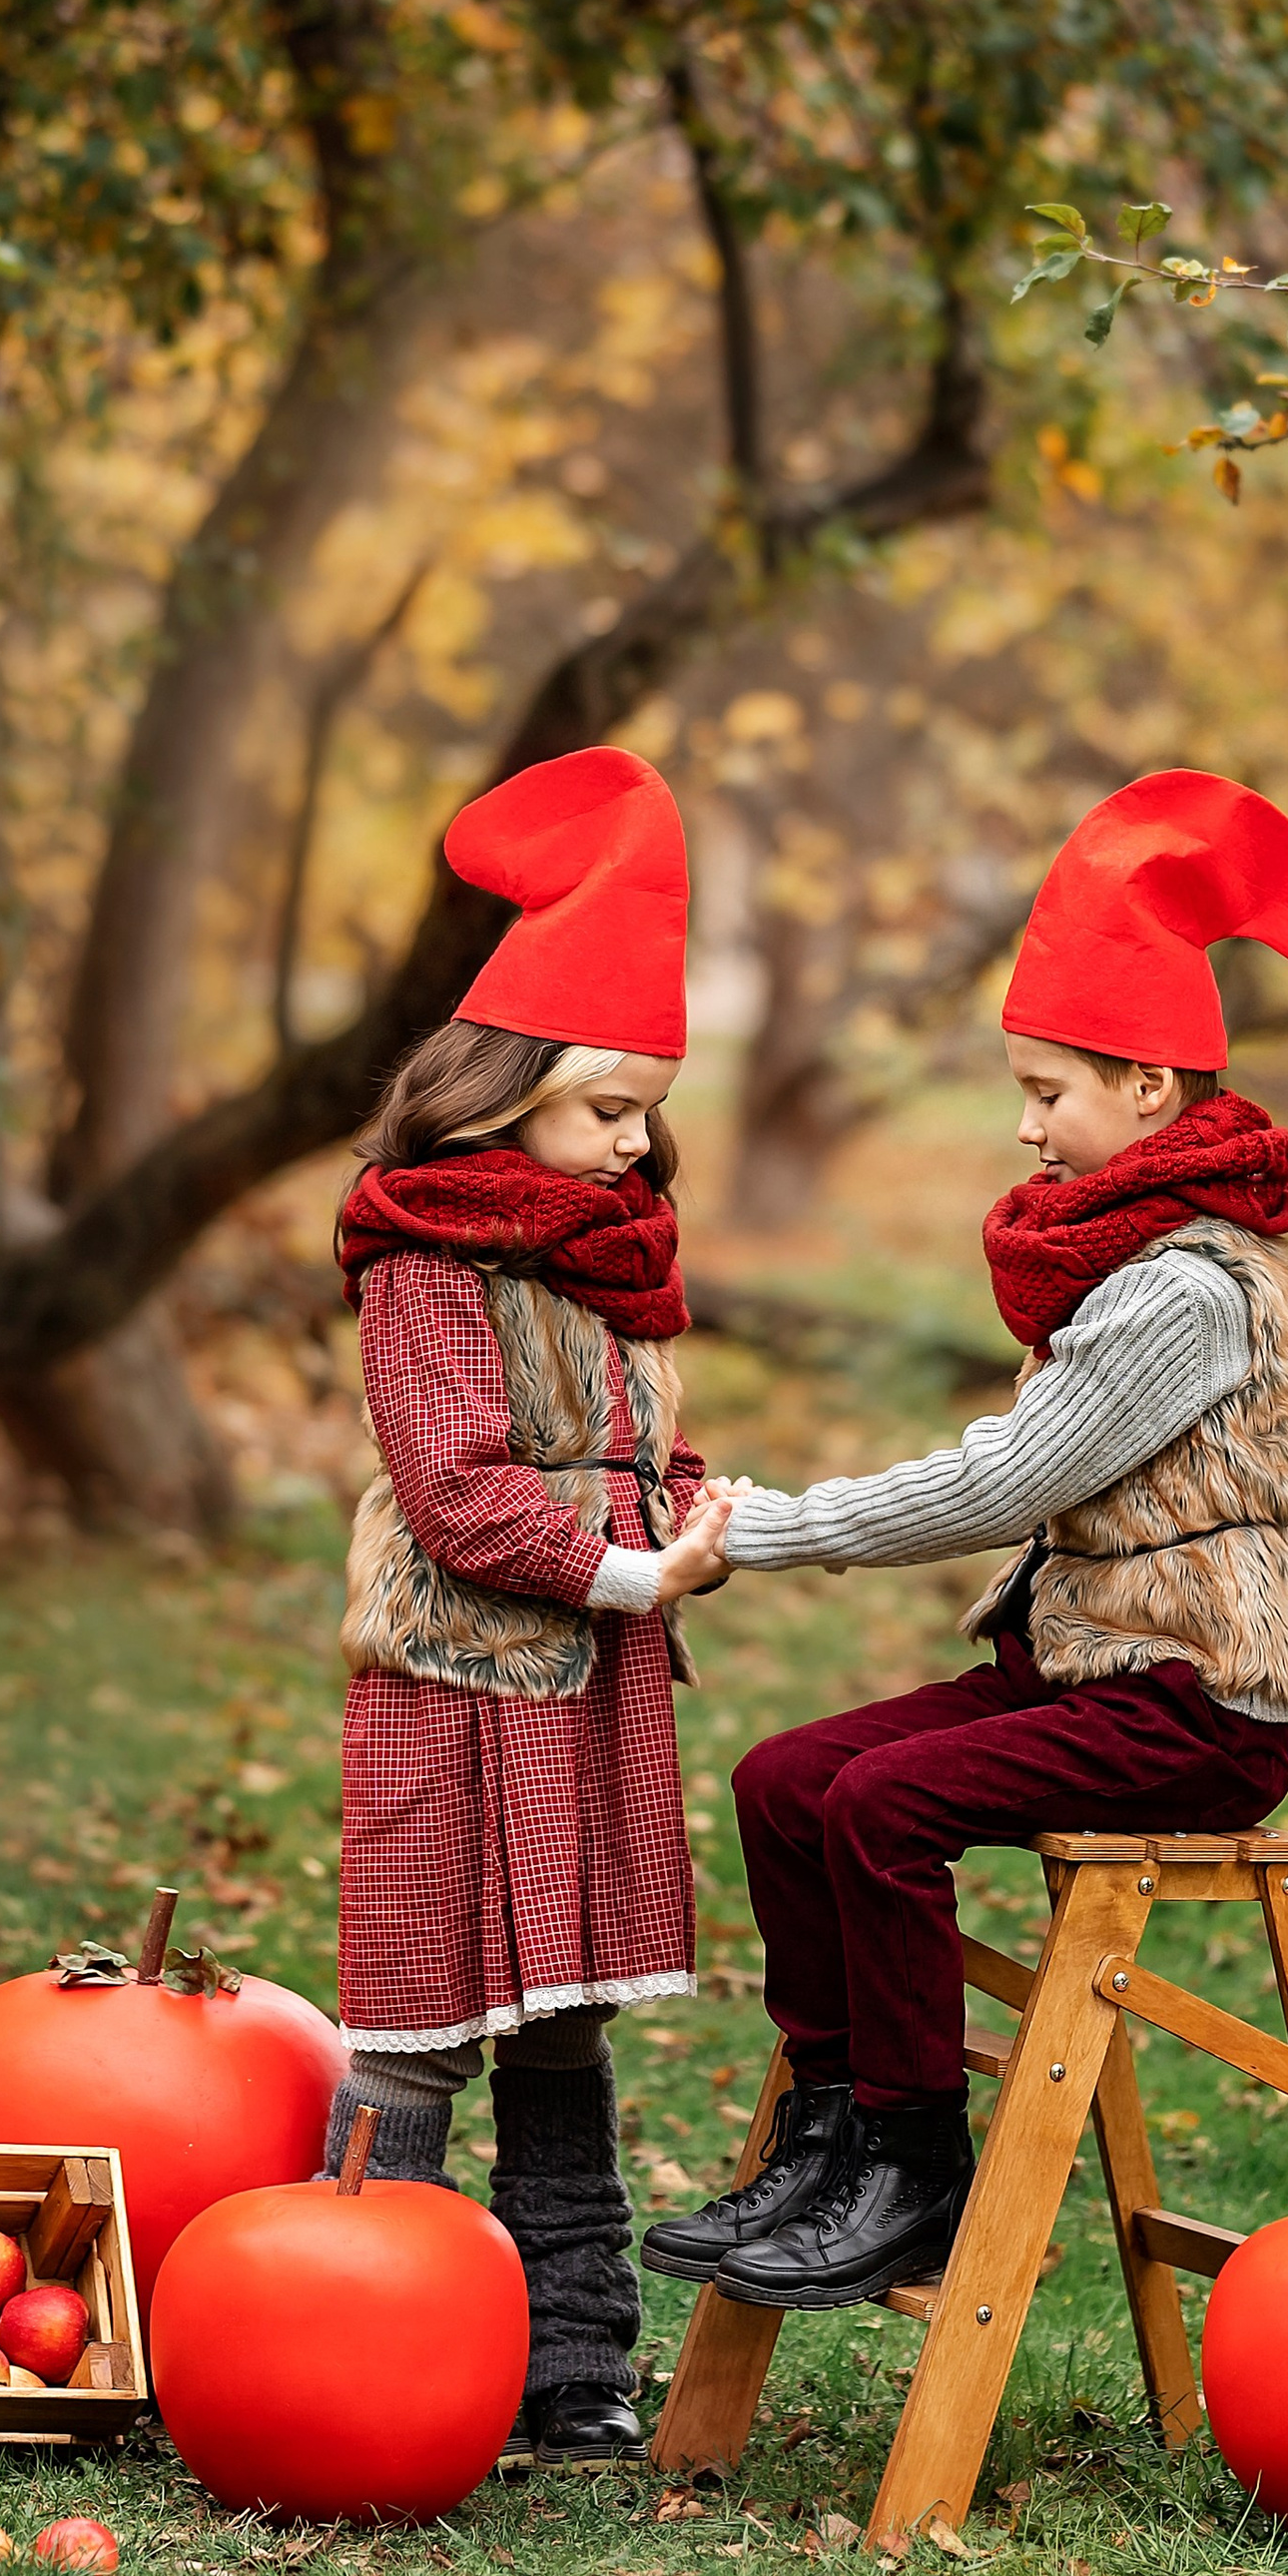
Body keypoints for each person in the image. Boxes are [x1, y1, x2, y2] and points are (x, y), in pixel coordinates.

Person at [641, 770, 1288, 2314]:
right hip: (1089, 1679)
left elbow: (1006, 1482)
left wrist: (771, 1529)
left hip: (1196, 1706)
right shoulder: (1125, 1258)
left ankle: (910, 2168)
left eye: (1048, 1090)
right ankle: (830, 2136)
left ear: (1148, 1090)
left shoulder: (1186, 1288)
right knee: (785, 1781)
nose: (1023, 1124)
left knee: (886, 1805)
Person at [329, 746, 733, 2465]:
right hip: (460, 1681)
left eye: (646, 1111)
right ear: (501, 1096)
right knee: (420, 2017)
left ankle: (572, 2369)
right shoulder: (425, 1257)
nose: (635, 1143)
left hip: (588, 1692)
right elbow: (460, 1489)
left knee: (561, 2028)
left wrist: (687, 1492)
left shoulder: (605, 1258)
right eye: (605, 1110)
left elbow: (611, 1438)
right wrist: (635, 1562)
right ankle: (367, 2350)